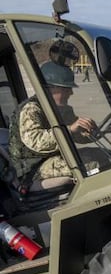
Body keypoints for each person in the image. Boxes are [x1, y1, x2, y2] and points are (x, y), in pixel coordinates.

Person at [8, 56, 98, 185]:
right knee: (92, 165)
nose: (71, 93)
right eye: (66, 89)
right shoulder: (31, 108)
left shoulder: (59, 108)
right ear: (49, 88)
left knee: (99, 155)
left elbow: (76, 135)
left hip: (52, 158)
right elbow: (35, 141)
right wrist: (70, 129)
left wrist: (92, 132)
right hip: (32, 167)